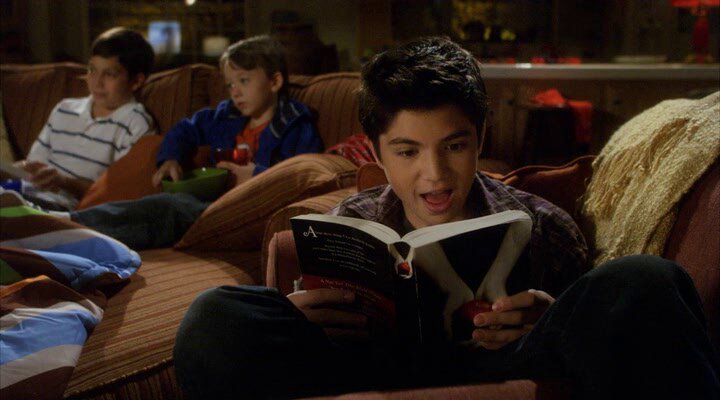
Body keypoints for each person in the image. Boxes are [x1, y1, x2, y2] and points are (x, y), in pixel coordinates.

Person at [172, 37, 719, 400]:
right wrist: (300, 317)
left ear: (480, 139)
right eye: (407, 151)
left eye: (454, 146)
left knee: (646, 280)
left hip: (500, 367)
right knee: (217, 315)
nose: (434, 175)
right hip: (374, 368)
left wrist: (549, 315)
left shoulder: (542, 222)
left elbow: (586, 329)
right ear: (377, 153)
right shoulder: (353, 219)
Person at [68, 35, 322, 249]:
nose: (235, 92)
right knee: (157, 206)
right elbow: (185, 130)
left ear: (274, 81)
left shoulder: (294, 125)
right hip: (212, 202)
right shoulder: (227, 116)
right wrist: (170, 158)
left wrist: (257, 176)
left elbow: (302, 179)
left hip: (249, 213)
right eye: (230, 84)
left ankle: (67, 227)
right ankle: (66, 225)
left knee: (169, 208)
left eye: (244, 81)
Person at [14, 27, 155, 210]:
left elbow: (118, 195)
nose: (96, 82)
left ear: (136, 81)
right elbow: (33, 166)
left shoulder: (135, 123)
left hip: (63, 208)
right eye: (92, 70)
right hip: (25, 193)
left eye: (109, 74)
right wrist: (16, 169)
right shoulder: (64, 109)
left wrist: (64, 182)